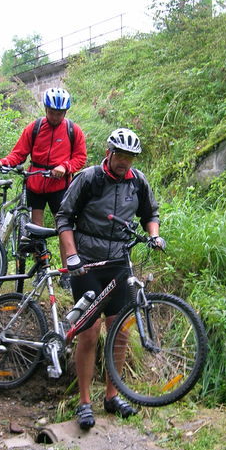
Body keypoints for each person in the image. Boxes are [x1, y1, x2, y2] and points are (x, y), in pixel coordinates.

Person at [56, 127, 166, 431]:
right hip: (88, 264)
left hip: (119, 263)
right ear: (109, 153)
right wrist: (72, 256)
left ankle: (112, 396)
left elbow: (150, 214)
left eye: (130, 156)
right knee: (89, 334)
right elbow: (64, 217)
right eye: (120, 155)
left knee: (119, 332)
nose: (125, 161)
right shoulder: (90, 178)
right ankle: (84, 403)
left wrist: (154, 236)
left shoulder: (138, 182)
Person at [0, 87, 87, 269]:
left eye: (59, 113)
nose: (55, 117)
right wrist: (1, 162)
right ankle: (40, 268)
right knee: (35, 228)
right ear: (46, 109)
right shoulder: (35, 128)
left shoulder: (73, 130)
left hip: (60, 187)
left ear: (65, 112)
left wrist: (65, 166)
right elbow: (18, 154)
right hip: (35, 184)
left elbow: (80, 157)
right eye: (52, 112)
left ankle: (65, 271)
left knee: (64, 229)